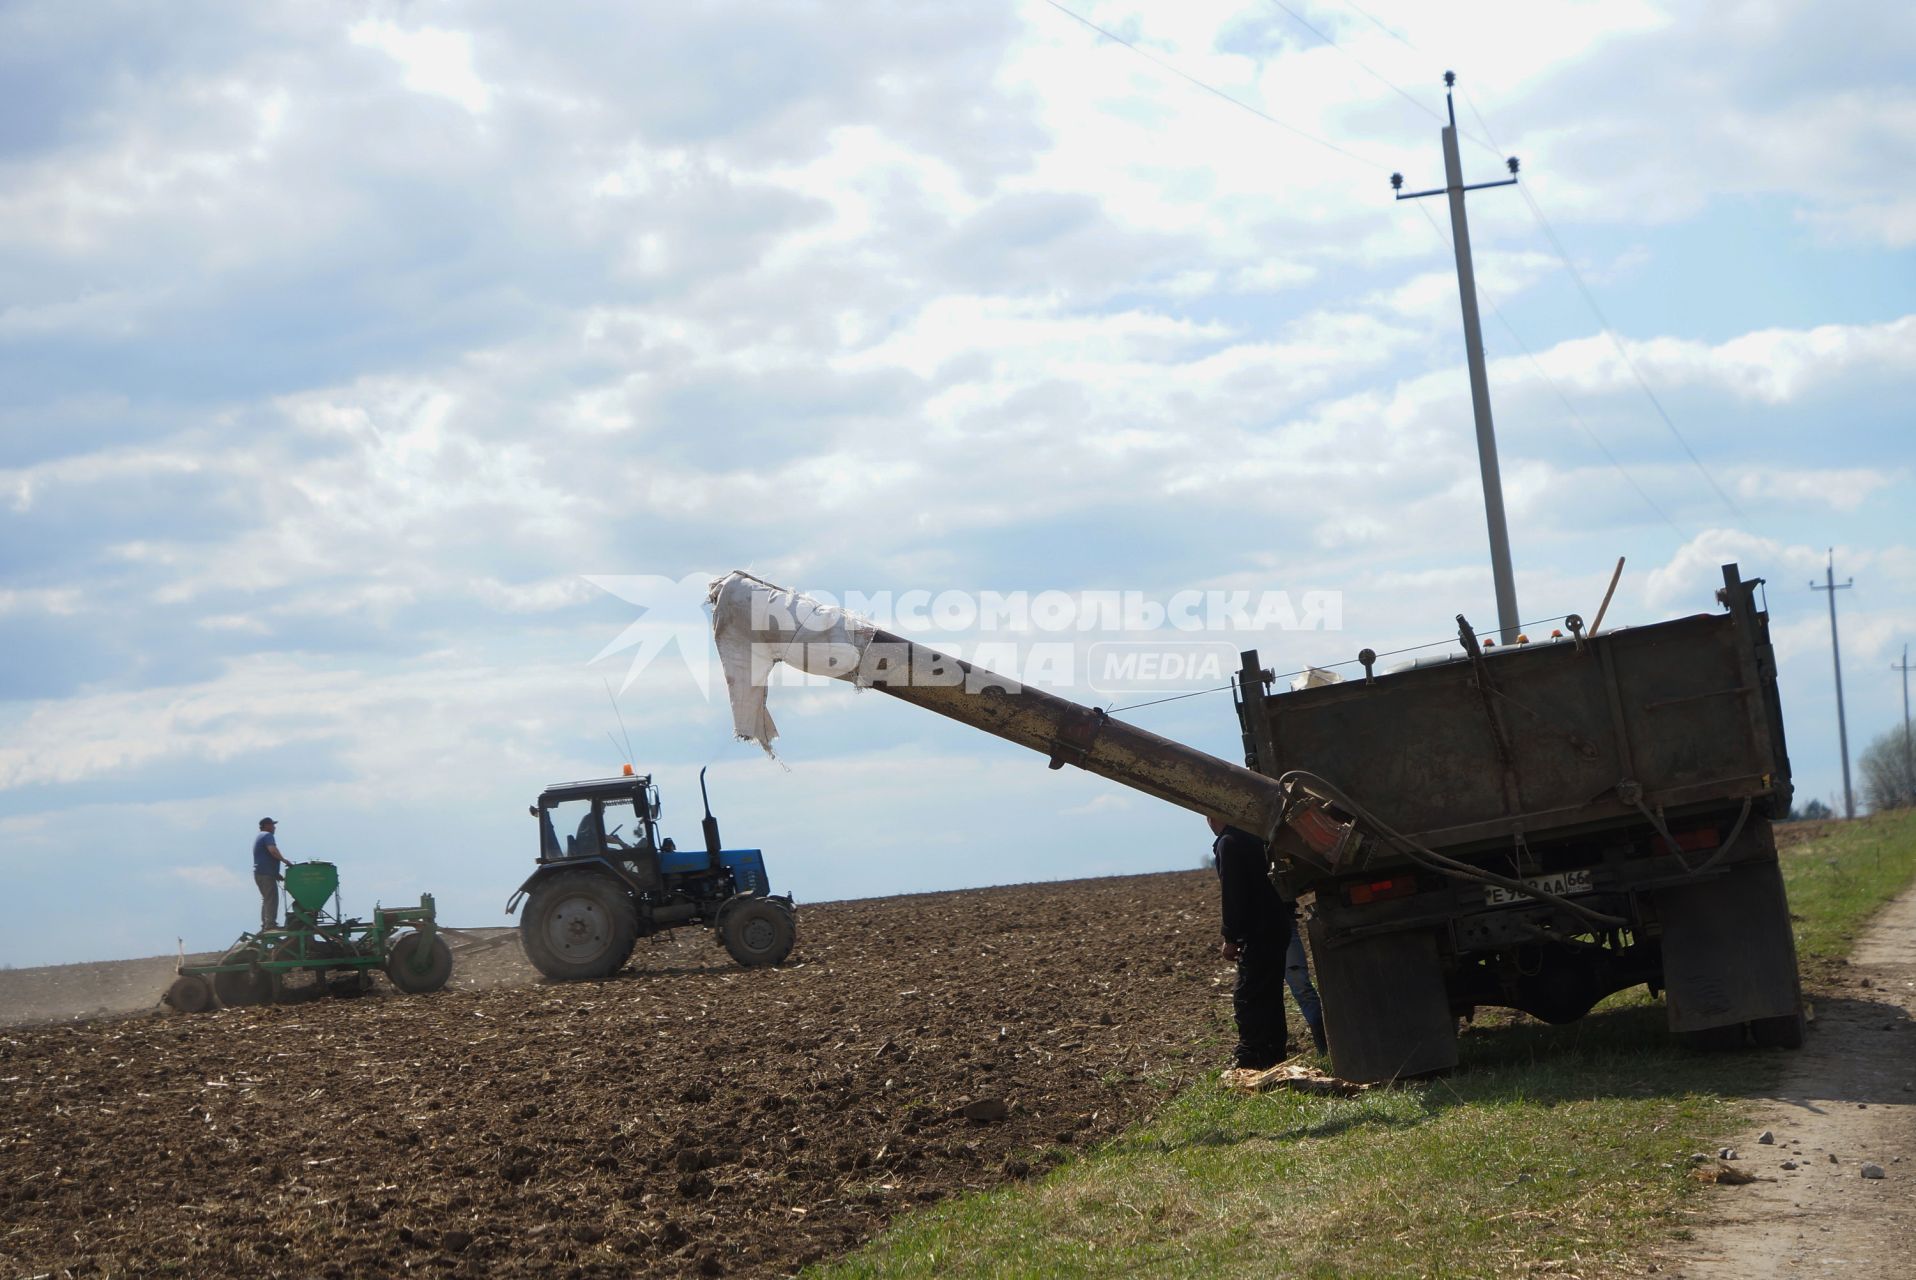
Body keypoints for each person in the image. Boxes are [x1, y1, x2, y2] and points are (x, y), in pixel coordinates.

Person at [1211, 815, 1294, 1069]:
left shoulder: (1229, 842)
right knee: (1269, 994)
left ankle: (1253, 1058)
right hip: (1276, 925)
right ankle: (1274, 1054)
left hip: (1258, 931)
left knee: (1248, 996)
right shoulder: (1254, 837)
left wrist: (1231, 937)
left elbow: (1233, 894)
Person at [253, 817, 292, 931]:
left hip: (260, 873)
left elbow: (265, 856)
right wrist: (284, 860)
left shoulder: (259, 836)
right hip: (265, 874)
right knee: (271, 899)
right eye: (272, 824)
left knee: (266, 899)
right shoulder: (267, 835)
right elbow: (273, 851)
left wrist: (276, 874)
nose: (274, 827)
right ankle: (270, 925)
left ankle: (265, 924)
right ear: (266, 826)